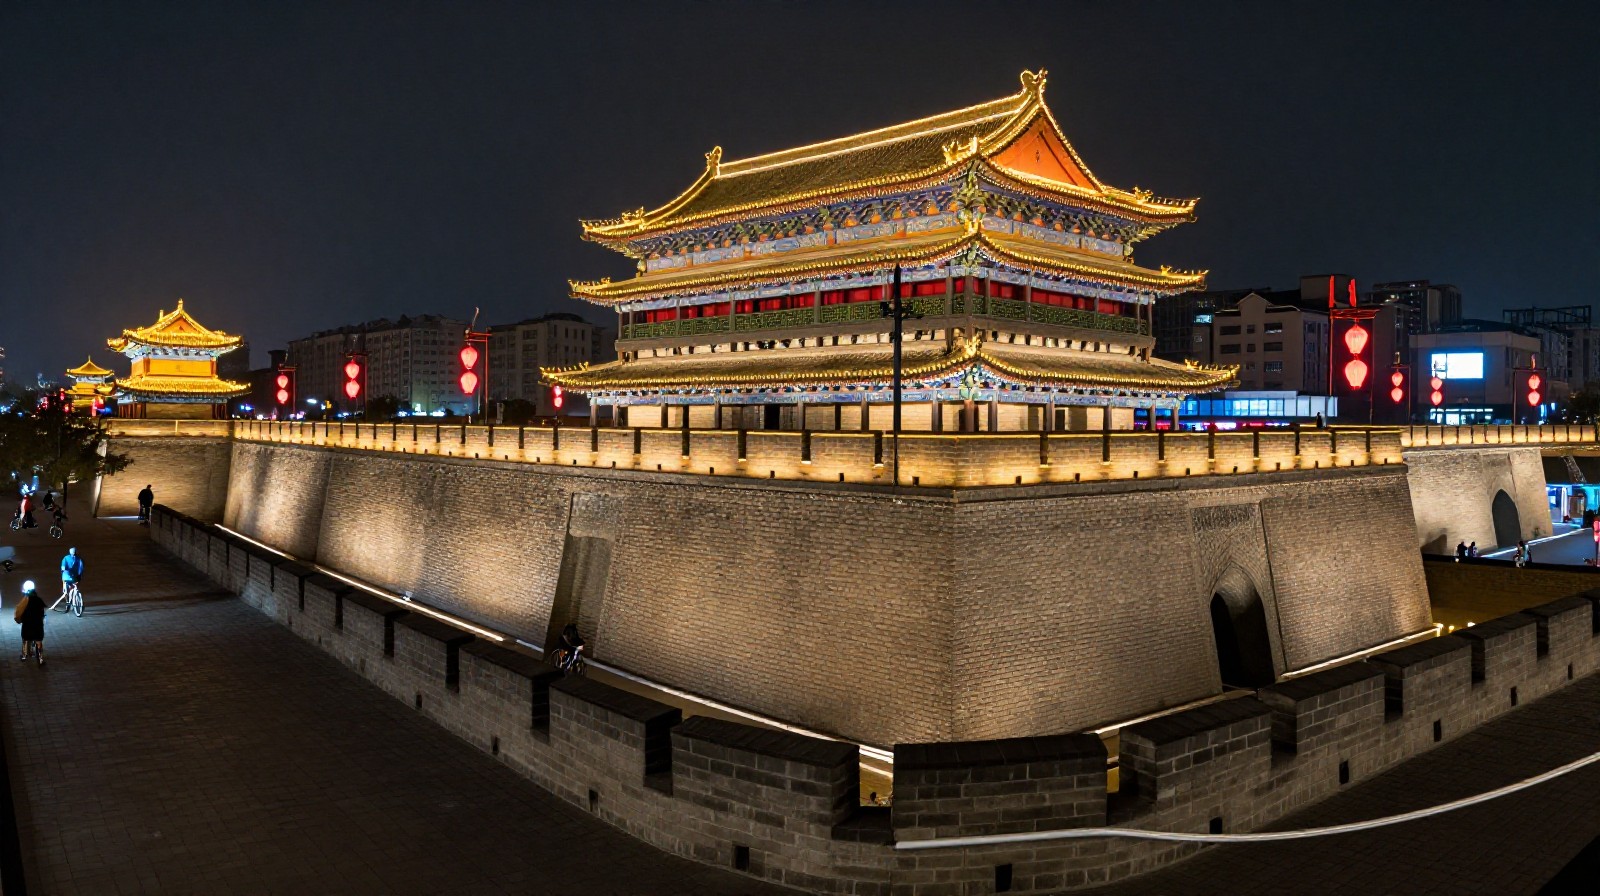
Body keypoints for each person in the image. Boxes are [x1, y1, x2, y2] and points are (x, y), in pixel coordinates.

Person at [14, 579, 44, 666]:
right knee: (39, 640)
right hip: (38, 624)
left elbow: (19, 611)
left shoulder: (25, 601)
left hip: (27, 624)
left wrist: (20, 619)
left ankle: (24, 655)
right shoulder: (39, 601)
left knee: (25, 639)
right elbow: (42, 612)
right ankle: (41, 658)